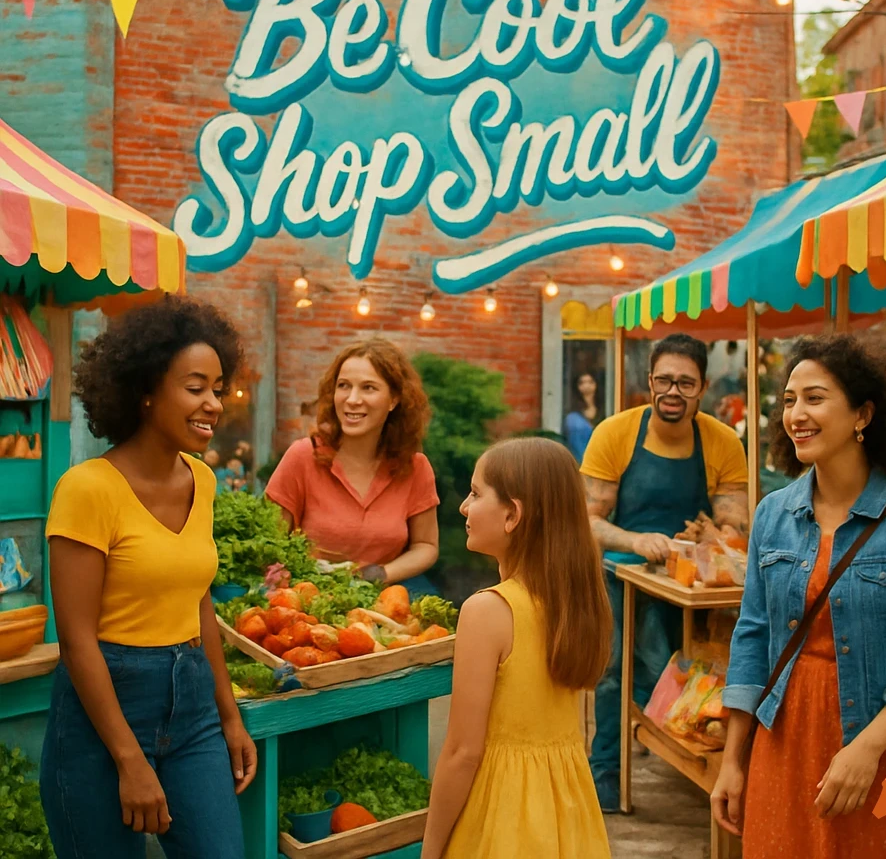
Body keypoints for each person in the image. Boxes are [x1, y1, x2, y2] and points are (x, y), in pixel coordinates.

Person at [712, 334, 886, 859]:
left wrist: (869, 748)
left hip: (883, 744)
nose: (796, 414)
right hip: (783, 739)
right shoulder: (773, 514)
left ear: (862, 415)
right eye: (789, 400)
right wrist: (733, 761)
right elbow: (753, 638)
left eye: (815, 398)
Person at [40, 296, 257, 859]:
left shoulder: (203, 481)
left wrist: (228, 716)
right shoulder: (88, 489)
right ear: (145, 391)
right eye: (195, 387)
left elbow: (198, 601)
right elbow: (76, 640)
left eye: (218, 389)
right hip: (102, 715)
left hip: (192, 706)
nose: (213, 404)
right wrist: (129, 759)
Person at [421, 438, 613, 859]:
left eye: (475, 493)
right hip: (570, 814)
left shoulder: (487, 611)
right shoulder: (576, 603)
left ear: (512, 515)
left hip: (503, 817)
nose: (463, 507)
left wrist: (430, 848)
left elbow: (462, 753)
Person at [580, 332, 749, 810]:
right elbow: (587, 519)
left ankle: (692, 763)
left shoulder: (721, 442)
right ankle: (606, 773)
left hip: (687, 581)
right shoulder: (615, 434)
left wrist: (715, 534)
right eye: (664, 380)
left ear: (704, 387)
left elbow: (735, 522)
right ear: (650, 381)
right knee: (614, 672)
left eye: (685, 383)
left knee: (682, 673)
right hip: (619, 573)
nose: (673, 392)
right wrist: (635, 541)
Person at [265, 338, 440, 591]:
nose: (352, 399)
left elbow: (426, 546)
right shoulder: (302, 456)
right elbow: (270, 543)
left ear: (393, 399)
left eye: (368, 388)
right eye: (344, 386)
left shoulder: (415, 467)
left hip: (381, 600)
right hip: (305, 597)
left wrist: (380, 574)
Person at [563, 371, 603, 463]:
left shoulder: (604, 409)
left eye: (590, 382)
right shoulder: (573, 417)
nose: (586, 385)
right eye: (582, 382)